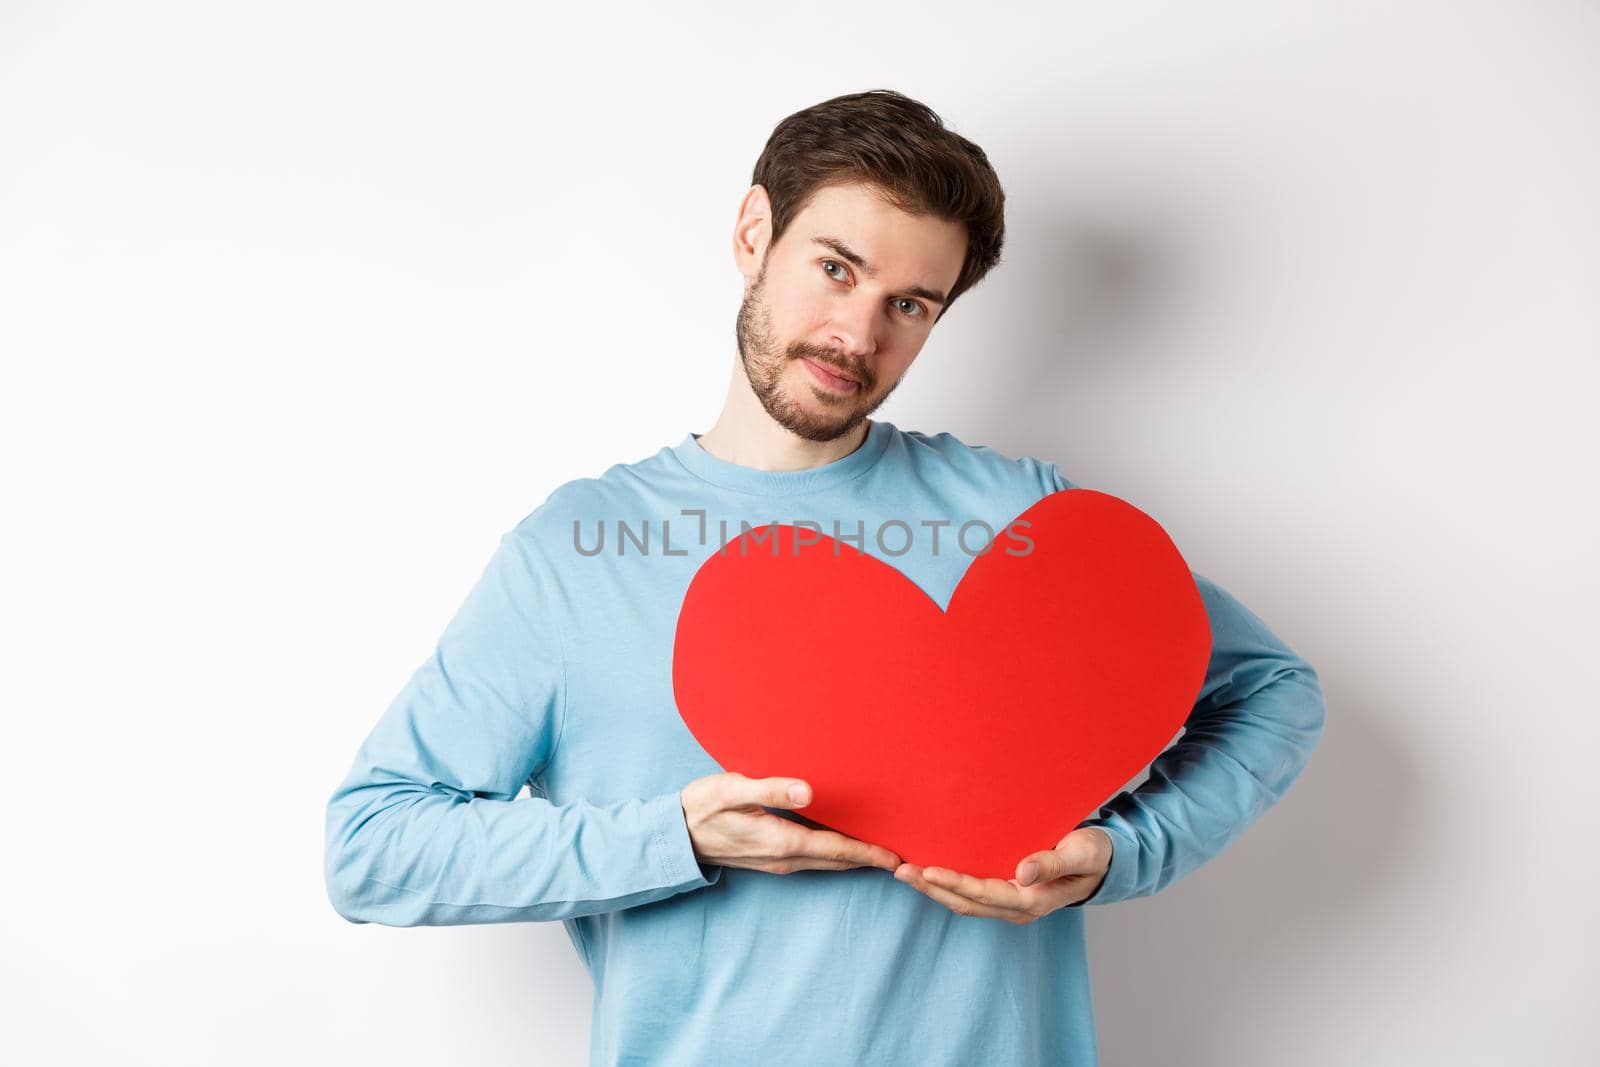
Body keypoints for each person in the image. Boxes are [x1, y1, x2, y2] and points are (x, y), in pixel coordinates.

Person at [323, 88, 1326, 1065]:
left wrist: (1122, 853)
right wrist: (675, 836)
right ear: (754, 232)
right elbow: (375, 844)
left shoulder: (1021, 522)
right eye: (836, 268)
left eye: (910, 304)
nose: (859, 334)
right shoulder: (581, 548)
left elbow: (1270, 690)